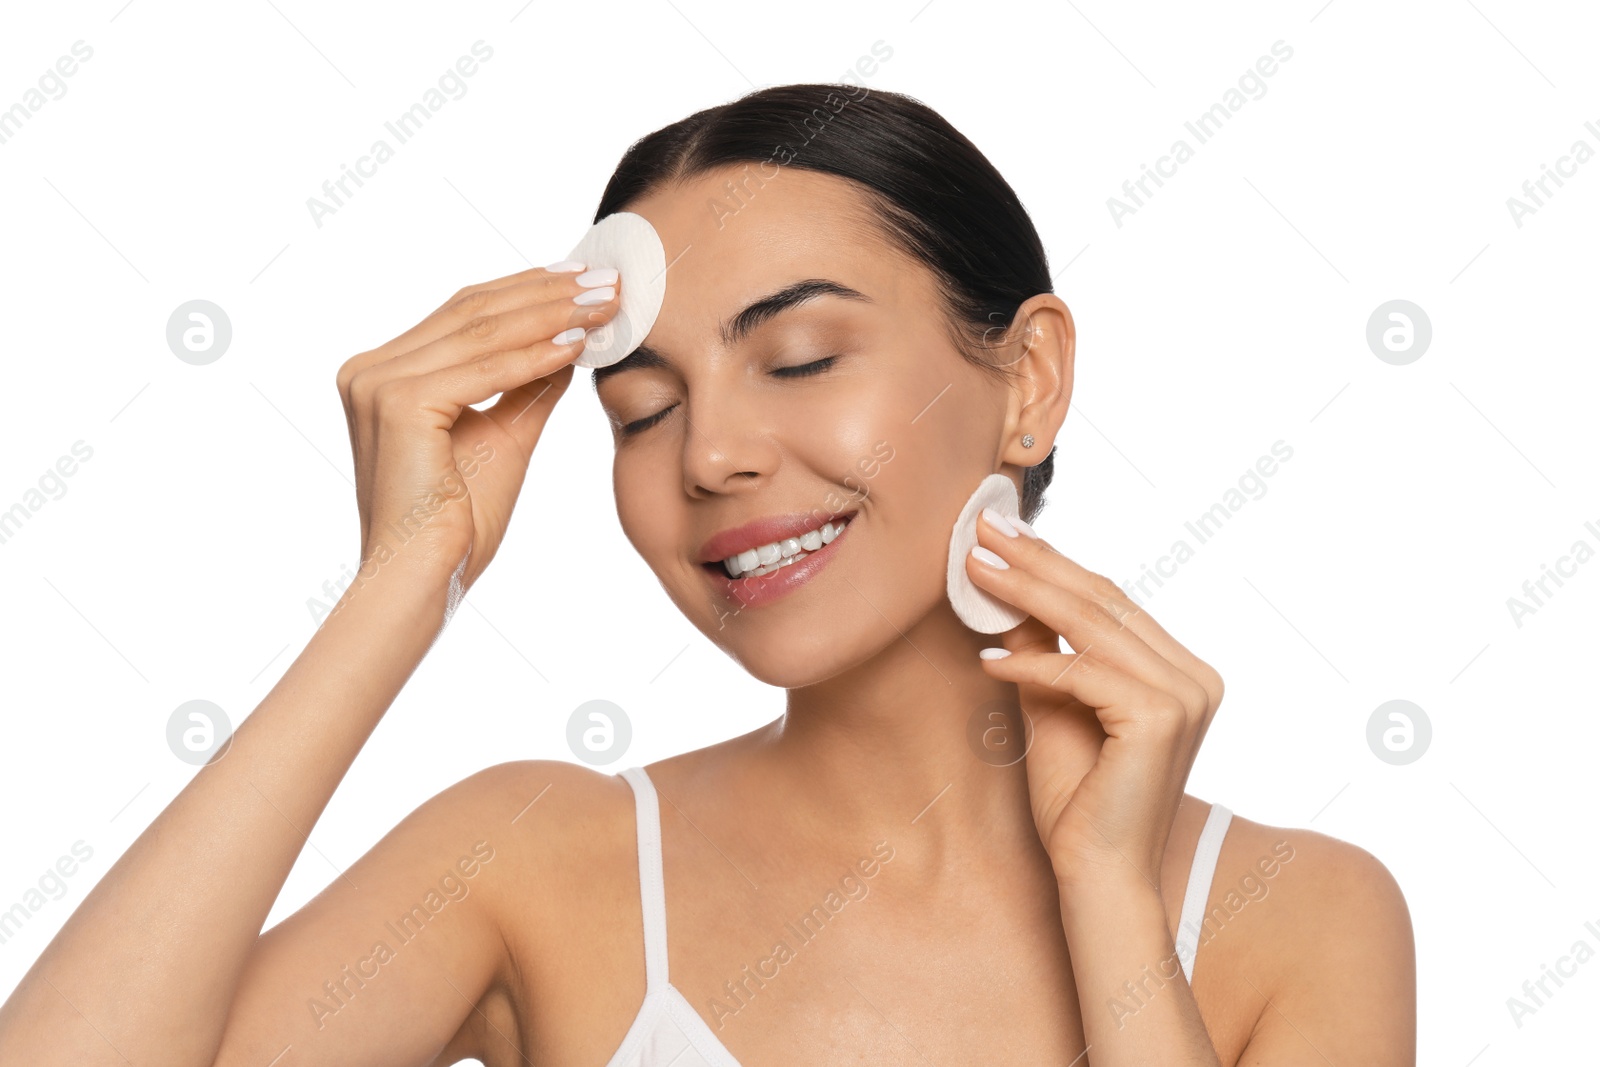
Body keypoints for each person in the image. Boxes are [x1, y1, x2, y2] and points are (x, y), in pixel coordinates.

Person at [0, 83, 1414, 1065]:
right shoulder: (529, 863)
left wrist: (1108, 893)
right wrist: (400, 583)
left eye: (798, 359)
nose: (713, 456)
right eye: (642, 410)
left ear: (1027, 379)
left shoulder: (1301, 919)